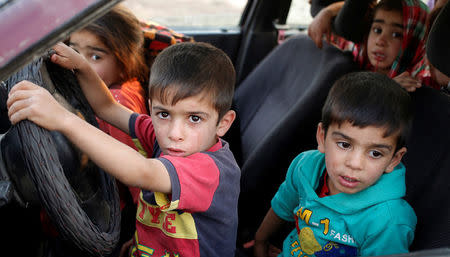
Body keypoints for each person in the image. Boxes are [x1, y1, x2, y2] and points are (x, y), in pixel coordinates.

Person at [7, 41, 240, 257]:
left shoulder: (209, 171)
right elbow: (107, 107)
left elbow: (141, 171)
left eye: (195, 119)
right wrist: (82, 67)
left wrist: (63, 119)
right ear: (152, 108)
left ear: (223, 123)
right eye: (164, 114)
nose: (174, 133)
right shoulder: (168, 140)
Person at [253, 71, 417, 257]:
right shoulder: (305, 167)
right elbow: (283, 204)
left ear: (394, 159)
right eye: (345, 145)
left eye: (375, 153)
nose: (355, 164)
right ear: (322, 137)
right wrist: (260, 241)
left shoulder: (388, 221)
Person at [68, 4, 149, 203]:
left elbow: (141, 185)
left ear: (124, 64)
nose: (78, 64)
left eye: (95, 56)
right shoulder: (129, 85)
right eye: (73, 51)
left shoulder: (118, 104)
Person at [308, 0, 440, 92]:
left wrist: (389, 92)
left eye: (396, 34)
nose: (380, 41)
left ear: (414, 40)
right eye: (377, 30)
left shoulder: (418, 83)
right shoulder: (357, 56)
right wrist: (327, 12)